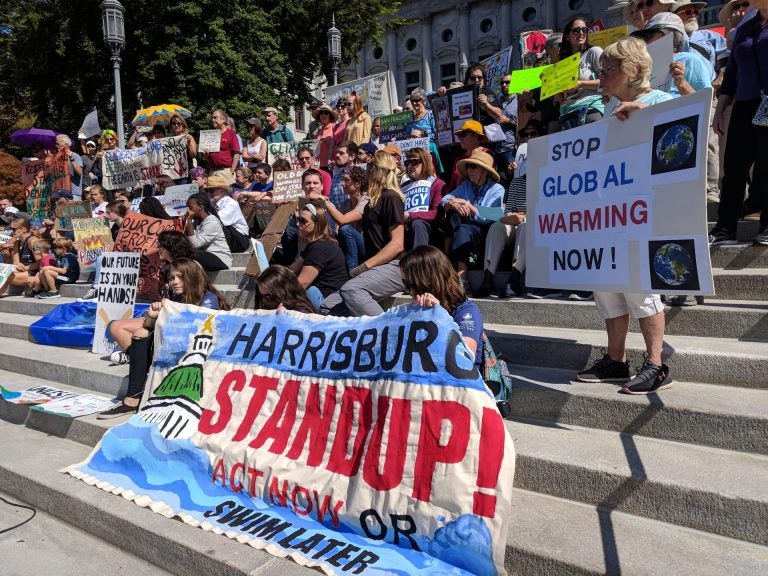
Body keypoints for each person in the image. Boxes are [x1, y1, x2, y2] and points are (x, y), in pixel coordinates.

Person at [576, 36, 673, 395]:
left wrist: (643, 116)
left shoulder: (661, 101)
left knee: (640, 289)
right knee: (607, 288)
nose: (601, 77)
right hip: (608, 211)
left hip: (642, 211)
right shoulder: (606, 109)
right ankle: (616, 359)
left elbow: (683, 138)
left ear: (631, 71)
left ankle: (656, 364)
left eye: (608, 70)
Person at [98, 257, 228, 418]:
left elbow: (194, 332)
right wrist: (153, 316)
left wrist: (165, 315)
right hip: (176, 344)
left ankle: (134, 389)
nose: (174, 282)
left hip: (199, 352)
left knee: (141, 335)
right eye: (172, 278)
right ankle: (134, 393)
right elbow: (158, 327)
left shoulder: (208, 299)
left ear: (192, 277)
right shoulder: (177, 296)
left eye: (180, 277)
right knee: (141, 332)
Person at [710, 0, 768, 246]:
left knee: (767, 164)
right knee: (733, 167)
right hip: (744, 103)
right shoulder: (745, 28)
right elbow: (731, 74)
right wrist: (720, 108)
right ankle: (725, 228)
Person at [319, 151, 405, 316]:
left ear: (379, 171)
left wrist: (364, 267)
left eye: (371, 166)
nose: (367, 171)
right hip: (375, 267)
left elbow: (397, 244)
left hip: (393, 266)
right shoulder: (372, 201)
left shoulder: (391, 197)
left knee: (351, 290)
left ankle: (384, 331)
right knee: (327, 305)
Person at [399, 245, 484, 370]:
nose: (407, 290)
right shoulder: (420, 309)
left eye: (408, 283)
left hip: (460, 385)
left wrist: (439, 316)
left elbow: (465, 357)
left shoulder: (467, 311)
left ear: (425, 281)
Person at [440, 149, 504, 291]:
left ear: (485, 171)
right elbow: (444, 199)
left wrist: (468, 205)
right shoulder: (466, 185)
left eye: (473, 166)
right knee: (453, 213)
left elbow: (490, 216)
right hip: (466, 231)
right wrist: (453, 203)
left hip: (487, 233)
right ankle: (452, 263)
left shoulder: (497, 189)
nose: (469, 170)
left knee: (462, 227)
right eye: (468, 166)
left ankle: (460, 273)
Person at [289, 203, 349, 311]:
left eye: (303, 221)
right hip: (323, 297)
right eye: (298, 219)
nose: (298, 224)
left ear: (317, 224)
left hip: (330, 304)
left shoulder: (320, 248)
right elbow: (292, 269)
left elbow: (302, 283)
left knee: (307, 291)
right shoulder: (313, 245)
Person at [558, 16, 604, 130]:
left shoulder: (594, 52)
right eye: (576, 30)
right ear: (567, 37)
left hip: (591, 110)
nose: (581, 33)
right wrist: (549, 84)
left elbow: (607, 81)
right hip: (568, 114)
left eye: (584, 30)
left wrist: (580, 84)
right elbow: (561, 98)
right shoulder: (563, 63)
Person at [322, 166, 368, 271]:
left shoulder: (365, 200)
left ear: (358, 184)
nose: (343, 184)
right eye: (343, 180)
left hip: (365, 246)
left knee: (346, 229)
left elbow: (342, 220)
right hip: (351, 246)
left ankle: (352, 271)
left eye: (347, 180)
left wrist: (325, 202)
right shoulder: (346, 203)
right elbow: (336, 228)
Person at [401, 146, 444, 248]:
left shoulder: (438, 184)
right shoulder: (403, 186)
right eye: (407, 163)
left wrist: (410, 216)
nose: (410, 166)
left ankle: (419, 260)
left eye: (414, 162)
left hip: (429, 227)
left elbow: (437, 214)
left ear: (425, 163)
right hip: (406, 225)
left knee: (418, 223)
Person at [184, 192, 232, 271]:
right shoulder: (200, 221)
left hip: (220, 258)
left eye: (190, 207)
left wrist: (189, 221)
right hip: (206, 254)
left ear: (200, 207)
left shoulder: (212, 222)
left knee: (190, 253)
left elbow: (194, 244)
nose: (188, 210)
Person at [204, 174, 250, 252]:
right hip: (230, 236)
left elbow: (215, 222)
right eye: (207, 191)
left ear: (223, 191)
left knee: (215, 222)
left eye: (211, 191)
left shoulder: (230, 204)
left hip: (239, 239)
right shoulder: (213, 202)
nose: (208, 193)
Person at [446, 120, 491, 193]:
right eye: (459, 135)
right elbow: (452, 185)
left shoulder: (487, 155)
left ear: (476, 135)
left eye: (463, 134)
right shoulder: (459, 159)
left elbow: (491, 183)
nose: (460, 138)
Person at [0, 218, 41, 297]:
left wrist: (25, 268)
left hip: (36, 273)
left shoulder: (33, 241)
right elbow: (16, 262)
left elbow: (41, 262)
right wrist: (18, 265)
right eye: (11, 228)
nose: (11, 231)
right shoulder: (17, 243)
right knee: (3, 271)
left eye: (14, 229)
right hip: (25, 271)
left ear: (24, 229)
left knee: (6, 275)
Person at [204, 109, 240, 183]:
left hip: (225, 172)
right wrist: (206, 154)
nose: (213, 120)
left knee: (228, 194)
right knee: (213, 194)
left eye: (215, 118)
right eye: (212, 118)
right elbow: (206, 158)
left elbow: (236, 154)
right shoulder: (210, 135)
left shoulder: (231, 133)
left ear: (223, 119)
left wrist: (231, 171)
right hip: (213, 172)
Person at [168, 114, 197, 183]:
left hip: (187, 172)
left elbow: (193, 155)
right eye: (173, 123)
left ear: (183, 124)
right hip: (174, 173)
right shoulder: (169, 140)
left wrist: (189, 143)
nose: (176, 125)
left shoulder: (188, 137)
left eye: (179, 123)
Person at [55, 134, 84, 200]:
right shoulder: (57, 158)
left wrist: (71, 158)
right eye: (56, 144)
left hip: (74, 194)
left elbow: (79, 172)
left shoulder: (75, 156)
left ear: (66, 145)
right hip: (60, 195)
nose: (56, 146)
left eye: (58, 144)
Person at [313, 104, 338, 168]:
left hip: (330, 165)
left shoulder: (334, 127)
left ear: (330, 115)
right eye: (321, 113)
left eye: (326, 113)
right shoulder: (319, 130)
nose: (323, 115)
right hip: (318, 165)